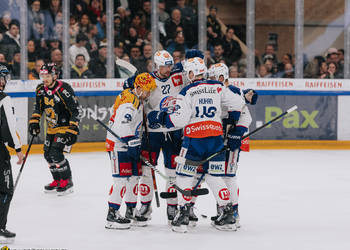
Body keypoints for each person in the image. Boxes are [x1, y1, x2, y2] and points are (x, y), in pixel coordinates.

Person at [148, 57, 246, 233]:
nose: (187, 75)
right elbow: (238, 102)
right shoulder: (218, 87)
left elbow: (179, 120)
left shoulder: (186, 91)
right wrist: (232, 119)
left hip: (194, 140)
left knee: (184, 175)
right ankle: (229, 213)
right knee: (215, 177)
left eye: (188, 72)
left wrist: (160, 118)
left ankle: (183, 214)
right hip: (215, 139)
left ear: (192, 73)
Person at [208, 62, 258, 229]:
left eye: (214, 77)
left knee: (228, 176)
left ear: (222, 77)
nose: (211, 80)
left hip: (231, 140)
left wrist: (237, 134)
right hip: (216, 139)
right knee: (218, 176)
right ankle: (223, 210)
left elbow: (245, 118)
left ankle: (233, 214)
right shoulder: (214, 91)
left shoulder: (235, 92)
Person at [105, 73, 157, 229]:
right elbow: (122, 125)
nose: (149, 93)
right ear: (139, 88)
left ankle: (130, 211)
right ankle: (112, 215)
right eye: (148, 90)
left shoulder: (136, 98)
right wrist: (132, 143)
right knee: (121, 180)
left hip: (129, 144)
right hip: (118, 146)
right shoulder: (130, 102)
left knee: (133, 178)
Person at [28, 63, 80, 195]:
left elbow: (75, 110)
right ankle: (57, 180)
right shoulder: (40, 89)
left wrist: (72, 129)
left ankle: (67, 182)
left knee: (56, 153)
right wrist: (34, 122)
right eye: (42, 75)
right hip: (51, 127)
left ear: (55, 76)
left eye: (48, 75)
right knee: (47, 154)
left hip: (64, 127)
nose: (44, 79)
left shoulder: (64, 89)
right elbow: (38, 108)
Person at [0, 64, 24, 243]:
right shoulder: (4, 99)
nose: (3, 82)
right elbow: (9, 127)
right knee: (6, 189)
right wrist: (18, 150)